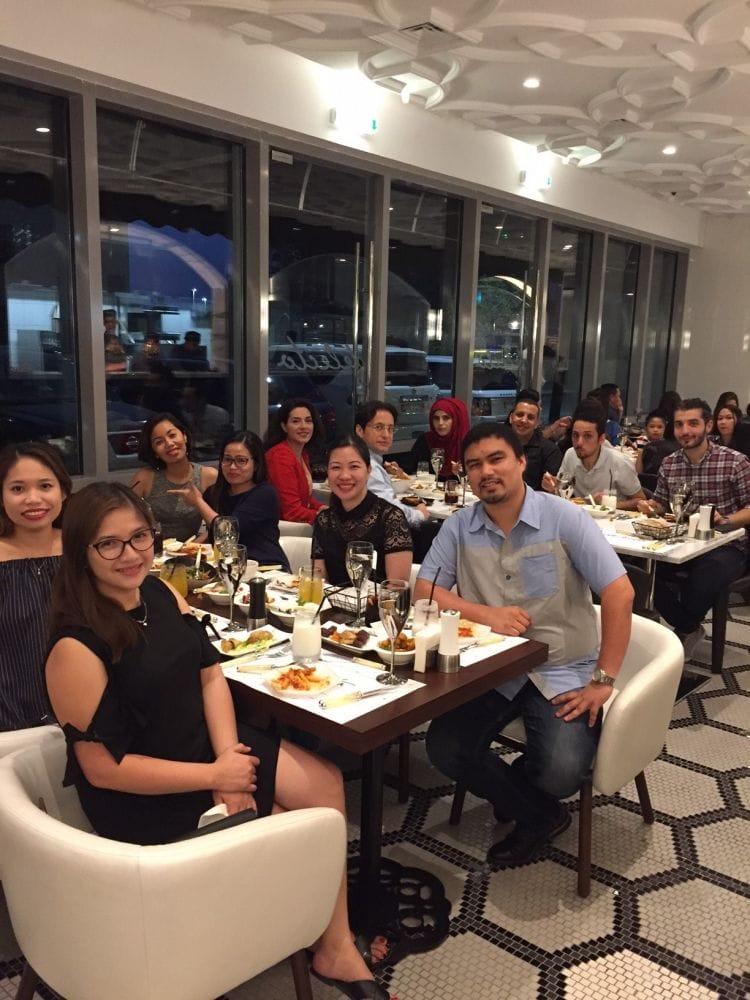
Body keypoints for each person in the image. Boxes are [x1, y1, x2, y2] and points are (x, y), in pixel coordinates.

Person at [44, 483, 391, 1000]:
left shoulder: (159, 592)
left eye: (139, 536)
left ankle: (334, 944)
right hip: (144, 792)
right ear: (81, 552)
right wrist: (216, 776)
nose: (131, 554)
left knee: (325, 783)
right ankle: (267, 933)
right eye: (108, 544)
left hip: (203, 747)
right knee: (299, 829)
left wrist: (229, 756)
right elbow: (103, 769)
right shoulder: (76, 645)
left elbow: (209, 675)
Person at [416, 422, 633, 867]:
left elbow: (619, 592)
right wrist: (487, 614)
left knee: (561, 771)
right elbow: (425, 590)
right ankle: (539, 815)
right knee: (445, 747)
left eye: (496, 459)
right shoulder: (460, 527)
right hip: (493, 668)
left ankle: (520, 788)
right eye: (474, 465)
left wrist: (603, 679)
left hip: (562, 667)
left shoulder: (564, 518)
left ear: (520, 462)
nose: (486, 472)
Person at [637, 398, 750, 654]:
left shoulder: (734, 461)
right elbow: (661, 504)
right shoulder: (670, 463)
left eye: (693, 423)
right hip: (681, 541)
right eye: (679, 425)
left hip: (727, 544)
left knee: (706, 572)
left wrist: (726, 520)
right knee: (640, 569)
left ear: (708, 426)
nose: (685, 431)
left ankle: (681, 630)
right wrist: (650, 507)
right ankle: (688, 626)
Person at [0, 441, 71, 731]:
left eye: (45, 486)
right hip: (10, 721)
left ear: (63, 491)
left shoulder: (86, 550)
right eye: (17, 488)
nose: (33, 499)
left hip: (85, 712)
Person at [171, 431, 290, 571]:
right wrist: (186, 550)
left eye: (241, 460)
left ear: (256, 464)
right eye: (227, 459)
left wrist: (198, 502)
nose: (232, 467)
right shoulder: (216, 492)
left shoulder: (264, 494)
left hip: (266, 569)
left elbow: (228, 531)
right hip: (228, 568)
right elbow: (213, 533)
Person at [312, 435, 412, 586]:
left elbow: (397, 588)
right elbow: (318, 583)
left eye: (354, 467)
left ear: (368, 470)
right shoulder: (324, 520)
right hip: (331, 601)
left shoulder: (391, 518)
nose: (345, 476)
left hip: (379, 601)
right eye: (336, 467)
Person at [543, 400, 646, 509]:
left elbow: (640, 500)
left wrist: (609, 504)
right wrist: (553, 488)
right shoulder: (570, 455)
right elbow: (562, 492)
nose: (579, 442)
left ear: (601, 439)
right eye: (575, 435)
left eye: (588, 436)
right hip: (580, 514)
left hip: (612, 517)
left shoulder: (619, 462)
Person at [130, 413, 217, 541]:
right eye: (159, 442)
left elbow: (219, 524)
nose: (169, 443)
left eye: (172, 435)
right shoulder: (144, 478)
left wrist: (192, 547)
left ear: (184, 436)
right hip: (153, 548)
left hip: (193, 549)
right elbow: (126, 518)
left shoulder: (208, 476)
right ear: (154, 452)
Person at [264, 399, 326, 525]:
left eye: (308, 421)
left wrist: (322, 508)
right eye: (296, 421)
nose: (304, 426)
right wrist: (325, 517)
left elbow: (305, 500)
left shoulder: (302, 454)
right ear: (284, 427)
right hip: (284, 529)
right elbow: (291, 512)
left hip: (298, 524)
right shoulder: (280, 457)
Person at [394, 397, 470, 479]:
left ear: (456, 420)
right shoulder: (426, 440)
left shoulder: (469, 444)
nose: (440, 423)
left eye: (446, 418)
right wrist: (395, 469)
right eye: (436, 418)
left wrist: (461, 474)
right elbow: (408, 466)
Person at [507, 394, 562, 490]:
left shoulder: (550, 451)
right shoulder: (497, 445)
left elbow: (551, 490)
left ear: (537, 423)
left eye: (530, 417)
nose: (524, 420)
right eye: (520, 415)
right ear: (511, 418)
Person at [635, 410, 679, 477]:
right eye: (652, 426)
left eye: (659, 427)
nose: (655, 430)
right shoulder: (641, 440)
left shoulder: (667, 447)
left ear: (665, 429)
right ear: (646, 428)